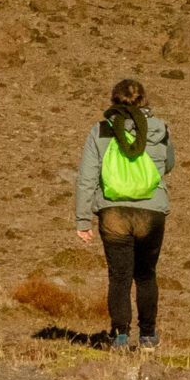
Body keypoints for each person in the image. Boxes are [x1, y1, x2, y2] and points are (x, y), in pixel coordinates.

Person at [75, 78, 175, 349]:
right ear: (144, 99)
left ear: (113, 100)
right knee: (146, 275)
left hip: (113, 211)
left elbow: (87, 178)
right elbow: (168, 164)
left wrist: (83, 220)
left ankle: (120, 336)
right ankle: (148, 336)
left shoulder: (101, 131)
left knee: (119, 276)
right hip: (151, 211)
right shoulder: (160, 128)